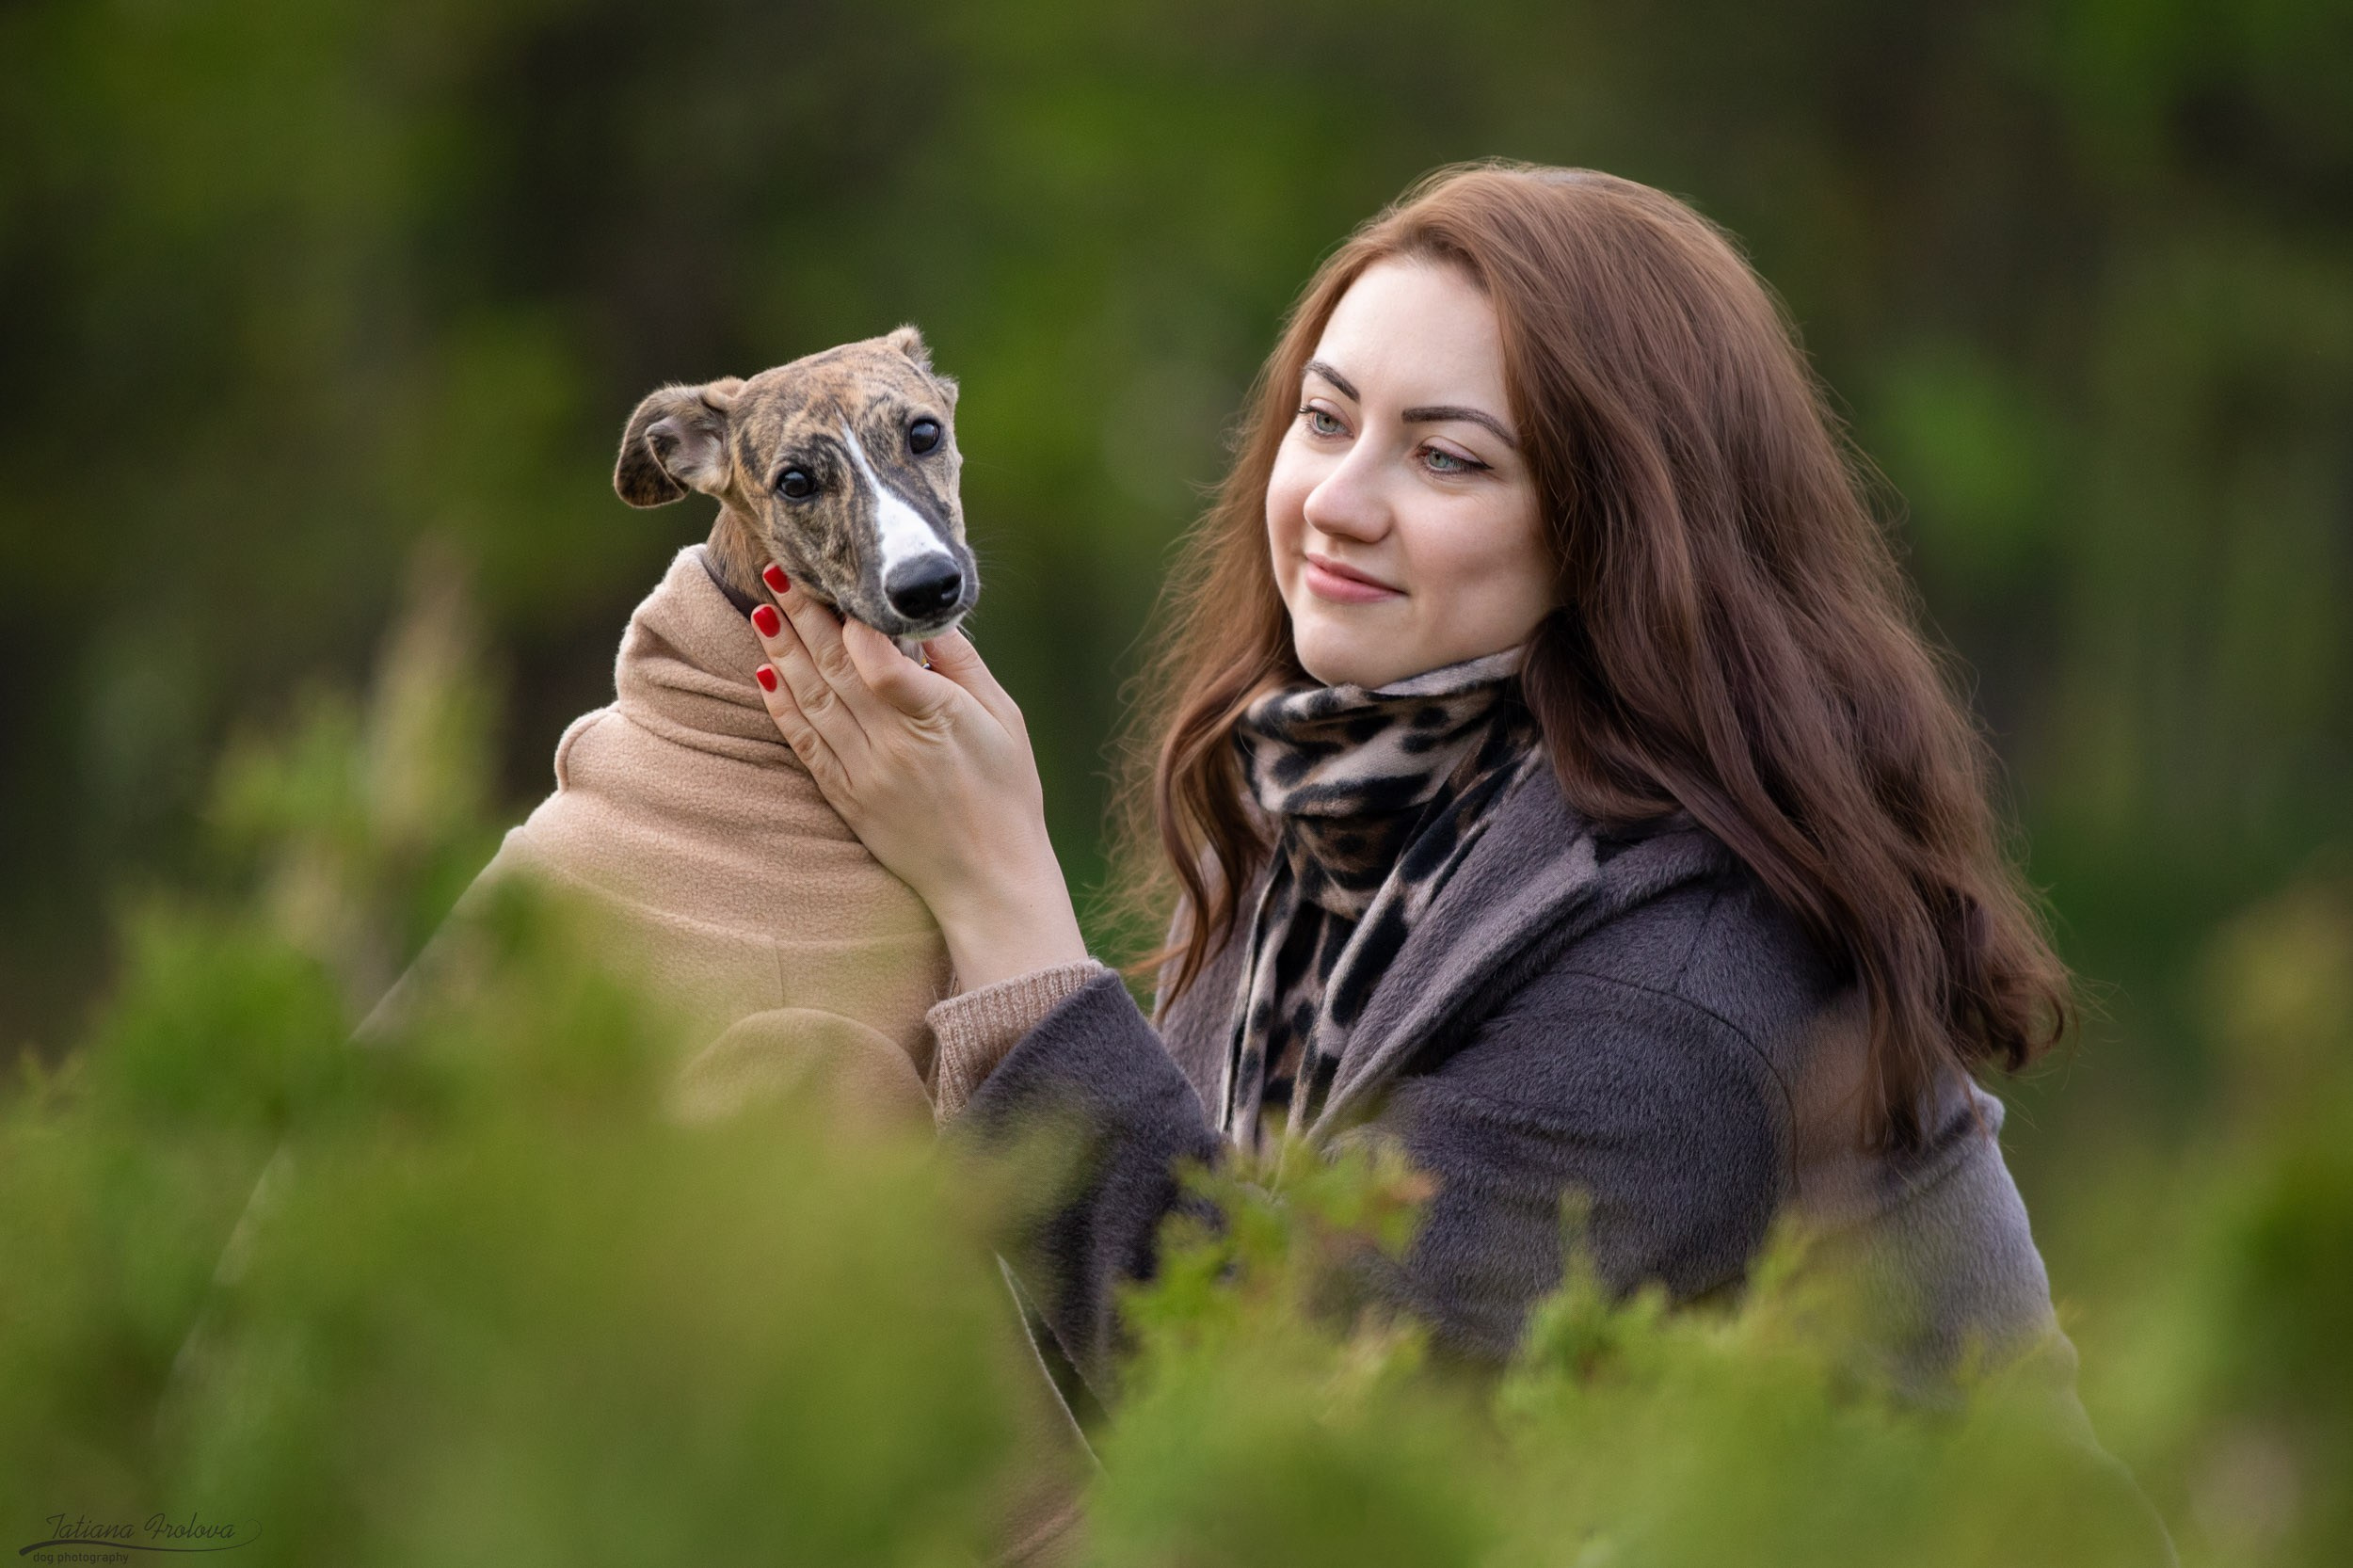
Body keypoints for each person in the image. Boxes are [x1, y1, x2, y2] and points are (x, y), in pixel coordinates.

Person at [740, 161, 2080, 1402]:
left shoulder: (1683, 986)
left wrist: (1006, 902)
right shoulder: (1333, 825)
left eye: (1446, 456)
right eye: (1324, 419)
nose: (1334, 498)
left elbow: (1295, 1409)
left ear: (1625, 528)